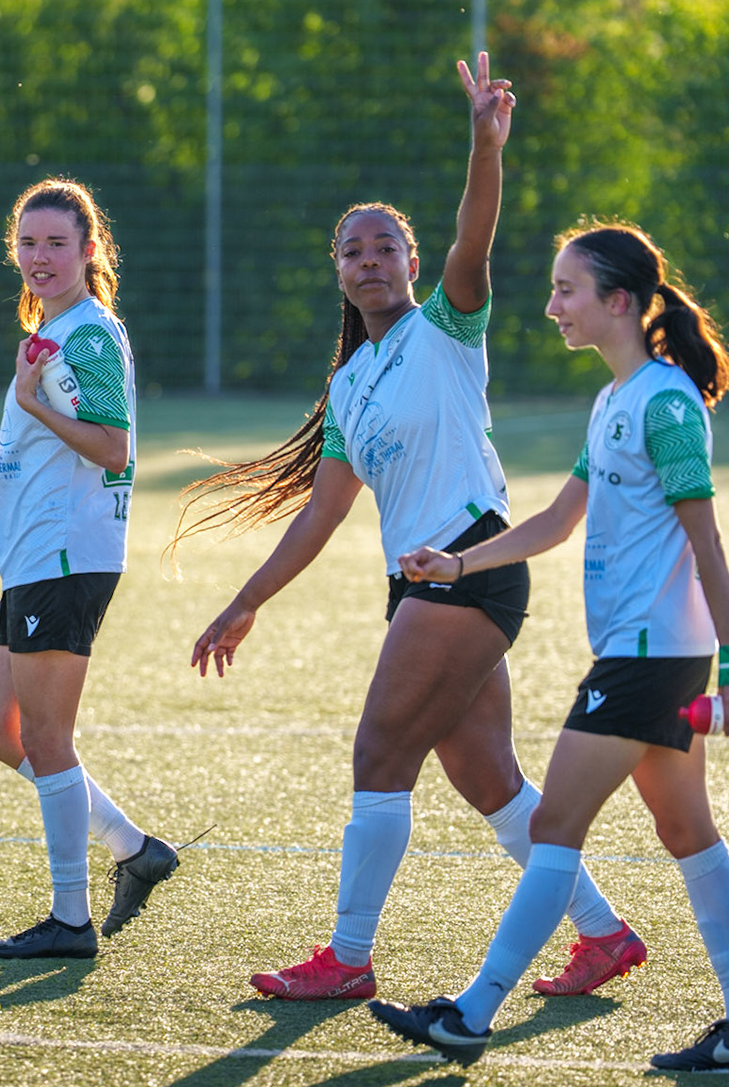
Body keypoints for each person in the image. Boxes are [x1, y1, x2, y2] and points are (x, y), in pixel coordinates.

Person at [175, 55, 643, 1002]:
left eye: (386, 245)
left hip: (467, 568)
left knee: (379, 754)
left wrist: (485, 140)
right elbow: (322, 513)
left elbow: (478, 229)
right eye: (354, 250)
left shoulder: (448, 325)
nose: (371, 259)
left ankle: (347, 958)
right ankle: (604, 933)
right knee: (490, 782)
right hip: (421, 583)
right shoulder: (349, 387)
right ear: (339, 275)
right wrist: (244, 602)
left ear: (413, 263)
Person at [367, 221, 729, 1071]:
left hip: (649, 659)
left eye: (567, 291)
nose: (552, 306)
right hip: (644, 655)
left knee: (555, 824)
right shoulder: (614, 401)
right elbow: (558, 520)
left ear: (616, 302)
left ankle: (471, 1016)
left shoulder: (663, 404)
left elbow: (709, 544)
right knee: (686, 829)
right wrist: (456, 562)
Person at [0, 178, 181, 960]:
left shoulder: (86, 333)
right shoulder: (49, 333)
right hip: (33, 558)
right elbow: (63, 437)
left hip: (66, 557)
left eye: (56, 243)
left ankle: (70, 920)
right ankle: (133, 848)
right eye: (27, 242)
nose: (39, 257)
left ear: (91, 251)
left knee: (47, 738)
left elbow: (113, 446)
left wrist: (37, 411)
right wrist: (3, 456)